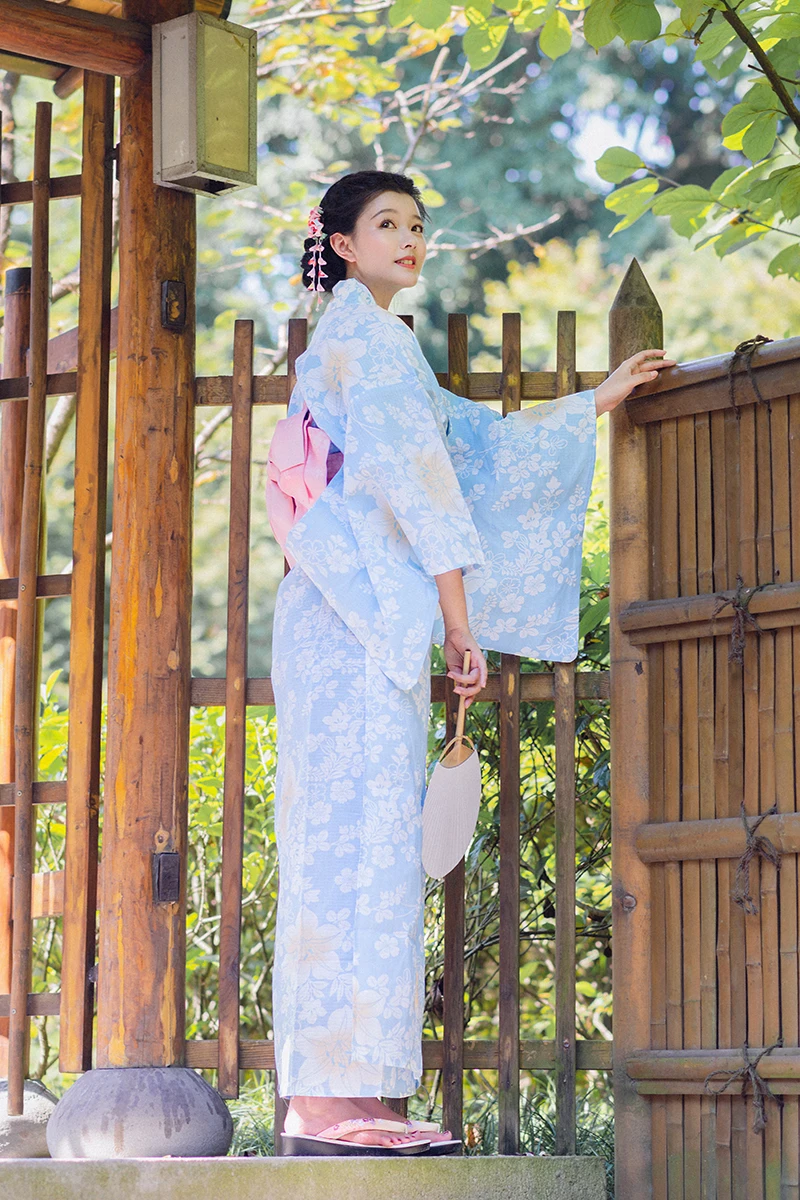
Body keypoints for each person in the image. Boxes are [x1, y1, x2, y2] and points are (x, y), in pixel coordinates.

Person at [267, 170, 675, 1155]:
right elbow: (425, 488)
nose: (410, 239)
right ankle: (325, 1101)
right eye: (387, 224)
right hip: (352, 625)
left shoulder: (370, 343)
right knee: (351, 845)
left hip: (353, 617)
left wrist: (593, 400)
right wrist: (460, 625)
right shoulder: (363, 343)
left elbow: (467, 446)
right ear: (341, 244)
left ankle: (352, 1092)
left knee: (361, 843)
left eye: (417, 224)